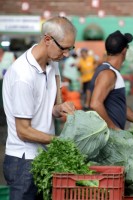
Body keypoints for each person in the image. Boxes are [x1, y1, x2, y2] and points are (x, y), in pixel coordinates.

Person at [2, 16, 77, 199]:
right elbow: (23, 131)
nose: (66, 54)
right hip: (23, 161)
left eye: (70, 48)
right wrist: (60, 141)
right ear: (47, 39)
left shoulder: (53, 63)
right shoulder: (23, 76)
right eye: (64, 48)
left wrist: (60, 109)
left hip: (43, 156)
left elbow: (52, 107)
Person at [89, 30, 133, 136]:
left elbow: (121, 108)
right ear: (124, 51)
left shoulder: (110, 71)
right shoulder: (108, 74)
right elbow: (95, 104)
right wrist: (113, 128)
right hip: (108, 138)